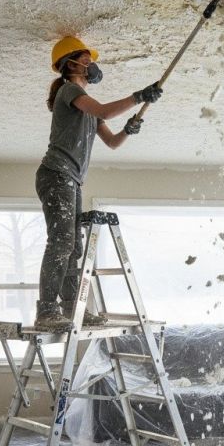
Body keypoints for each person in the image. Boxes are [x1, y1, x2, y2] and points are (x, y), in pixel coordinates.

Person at [34, 35, 162, 332]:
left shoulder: (87, 110)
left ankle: (70, 311)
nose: (92, 65)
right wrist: (139, 96)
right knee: (62, 242)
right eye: (86, 60)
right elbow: (104, 111)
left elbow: (114, 142)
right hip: (56, 174)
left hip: (72, 180)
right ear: (70, 64)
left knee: (74, 247)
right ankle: (47, 311)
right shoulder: (68, 91)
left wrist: (129, 128)